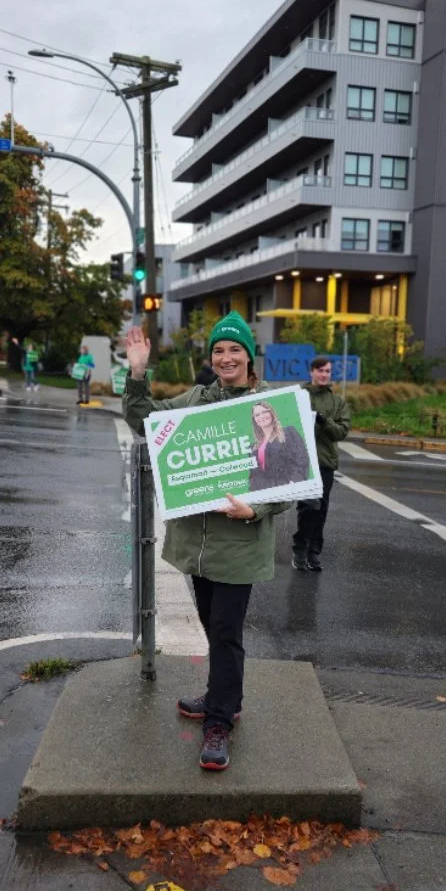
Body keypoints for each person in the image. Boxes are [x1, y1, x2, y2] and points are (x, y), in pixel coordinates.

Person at [123, 311, 291, 772]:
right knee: (212, 627)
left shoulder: (268, 407)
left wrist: (255, 510)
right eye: (219, 350)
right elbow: (145, 422)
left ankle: (219, 722)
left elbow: (290, 478)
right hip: (200, 545)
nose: (226, 357)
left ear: (250, 358)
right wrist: (137, 373)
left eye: (235, 349)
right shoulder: (198, 399)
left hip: (239, 546)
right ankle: (224, 697)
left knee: (225, 632)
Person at [291, 356, 351, 572]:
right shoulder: (299, 395)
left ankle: (313, 551)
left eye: (327, 371)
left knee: (321, 509)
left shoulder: (337, 402)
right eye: (320, 370)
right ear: (312, 372)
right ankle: (300, 548)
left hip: (325, 462)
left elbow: (341, 432)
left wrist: (324, 421)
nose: (324, 375)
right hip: (302, 461)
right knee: (309, 506)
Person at [249, 401, 310, 492]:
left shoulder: (289, 432)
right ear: (254, 419)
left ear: (271, 413)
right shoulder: (253, 448)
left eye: (264, 412)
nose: (261, 416)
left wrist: (295, 483)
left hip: (291, 490)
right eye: (257, 415)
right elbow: (254, 476)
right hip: (268, 495)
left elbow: (302, 459)